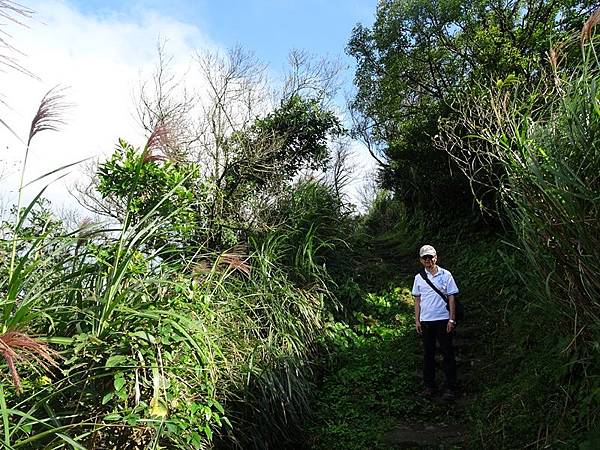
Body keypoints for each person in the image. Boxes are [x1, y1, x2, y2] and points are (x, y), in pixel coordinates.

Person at [411, 244, 459, 401]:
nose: (428, 260)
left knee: (448, 353)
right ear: (420, 260)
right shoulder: (418, 278)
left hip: (443, 320)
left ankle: (451, 387)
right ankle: (429, 386)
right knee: (428, 354)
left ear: (436, 257)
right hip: (426, 322)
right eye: (425, 258)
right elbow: (417, 300)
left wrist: (452, 318)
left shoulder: (446, 275)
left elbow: (452, 297)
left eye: (430, 257)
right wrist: (417, 320)